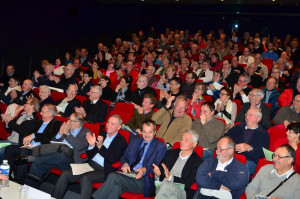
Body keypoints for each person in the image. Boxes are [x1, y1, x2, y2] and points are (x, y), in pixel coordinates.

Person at [51, 115, 127, 199]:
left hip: (103, 169)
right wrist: (91, 146)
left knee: (86, 177)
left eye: (112, 124)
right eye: (108, 122)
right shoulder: (102, 134)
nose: (108, 125)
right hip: (90, 164)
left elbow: (113, 158)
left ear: (119, 127)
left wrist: (101, 146)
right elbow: (89, 154)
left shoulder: (121, 141)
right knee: (66, 173)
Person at [92, 120, 167, 198]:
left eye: (150, 132)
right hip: (129, 174)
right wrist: (125, 163)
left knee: (113, 176)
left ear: (155, 132)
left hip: (143, 180)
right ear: (141, 131)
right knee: (116, 187)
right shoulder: (136, 140)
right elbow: (124, 156)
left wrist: (144, 170)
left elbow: (157, 166)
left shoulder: (160, 146)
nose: (147, 135)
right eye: (144, 132)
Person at [24, 112, 90, 187]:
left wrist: (67, 133)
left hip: (71, 160)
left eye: (70, 120)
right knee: (37, 164)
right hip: (55, 157)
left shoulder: (86, 133)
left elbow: (79, 146)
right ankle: (28, 189)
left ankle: (35, 158)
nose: (68, 122)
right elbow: (53, 143)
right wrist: (60, 133)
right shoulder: (67, 129)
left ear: (78, 123)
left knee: (60, 154)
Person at [4, 104, 62, 183]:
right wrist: (25, 140)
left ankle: (18, 181)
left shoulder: (57, 123)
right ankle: (6, 175)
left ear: (50, 114)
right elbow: (27, 133)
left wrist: (34, 135)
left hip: (42, 149)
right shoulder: (39, 122)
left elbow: (48, 137)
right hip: (30, 147)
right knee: (9, 149)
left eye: (42, 112)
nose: (40, 113)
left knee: (23, 153)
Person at [153, 130, 203, 199]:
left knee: (166, 184)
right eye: (182, 139)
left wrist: (171, 178)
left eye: (186, 140)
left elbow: (188, 182)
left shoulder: (197, 162)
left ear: (194, 144)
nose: (182, 142)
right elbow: (160, 171)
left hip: (181, 190)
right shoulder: (170, 153)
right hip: (163, 187)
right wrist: (157, 174)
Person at [227, 108, 270, 176]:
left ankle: (236, 186)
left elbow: (262, 153)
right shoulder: (237, 128)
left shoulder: (263, 134)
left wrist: (250, 148)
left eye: (250, 115)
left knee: (242, 166)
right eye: (246, 114)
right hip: (233, 157)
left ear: (258, 119)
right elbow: (226, 138)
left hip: (250, 161)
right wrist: (231, 146)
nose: (247, 117)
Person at [0, 98, 40, 163]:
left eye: (26, 103)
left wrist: (10, 121)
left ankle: (4, 171)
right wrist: (7, 123)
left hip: (17, 143)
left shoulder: (34, 119)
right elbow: (10, 130)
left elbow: (21, 130)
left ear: (32, 105)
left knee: (1, 151)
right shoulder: (22, 115)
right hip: (9, 140)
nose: (24, 104)